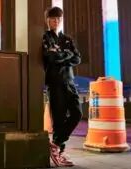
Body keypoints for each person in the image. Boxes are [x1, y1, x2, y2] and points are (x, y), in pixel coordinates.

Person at [42, 7, 82, 167]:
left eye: (58, 18)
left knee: (77, 113)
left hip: (70, 82)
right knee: (58, 119)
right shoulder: (45, 38)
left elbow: (77, 57)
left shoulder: (67, 39)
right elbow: (51, 57)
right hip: (55, 82)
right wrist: (67, 55)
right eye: (52, 19)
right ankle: (61, 152)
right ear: (47, 20)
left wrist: (62, 55)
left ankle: (56, 144)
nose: (55, 21)